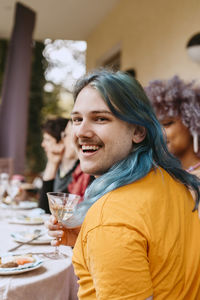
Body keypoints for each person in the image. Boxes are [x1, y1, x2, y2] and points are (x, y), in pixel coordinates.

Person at [46, 69, 200, 299]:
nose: (81, 132)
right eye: (77, 119)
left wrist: (103, 231)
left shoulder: (110, 220)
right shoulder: (171, 180)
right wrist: (88, 240)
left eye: (100, 118)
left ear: (138, 131)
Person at [145, 75, 200, 178]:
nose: (158, 132)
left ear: (192, 122)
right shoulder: (157, 176)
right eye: (153, 126)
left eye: (167, 123)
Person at [39, 118, 92, 213]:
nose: (43, 144)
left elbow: (62, 210)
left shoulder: (83, 170)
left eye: (47, 140)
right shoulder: (60, 166)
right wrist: (52, 163)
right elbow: (43, 210)